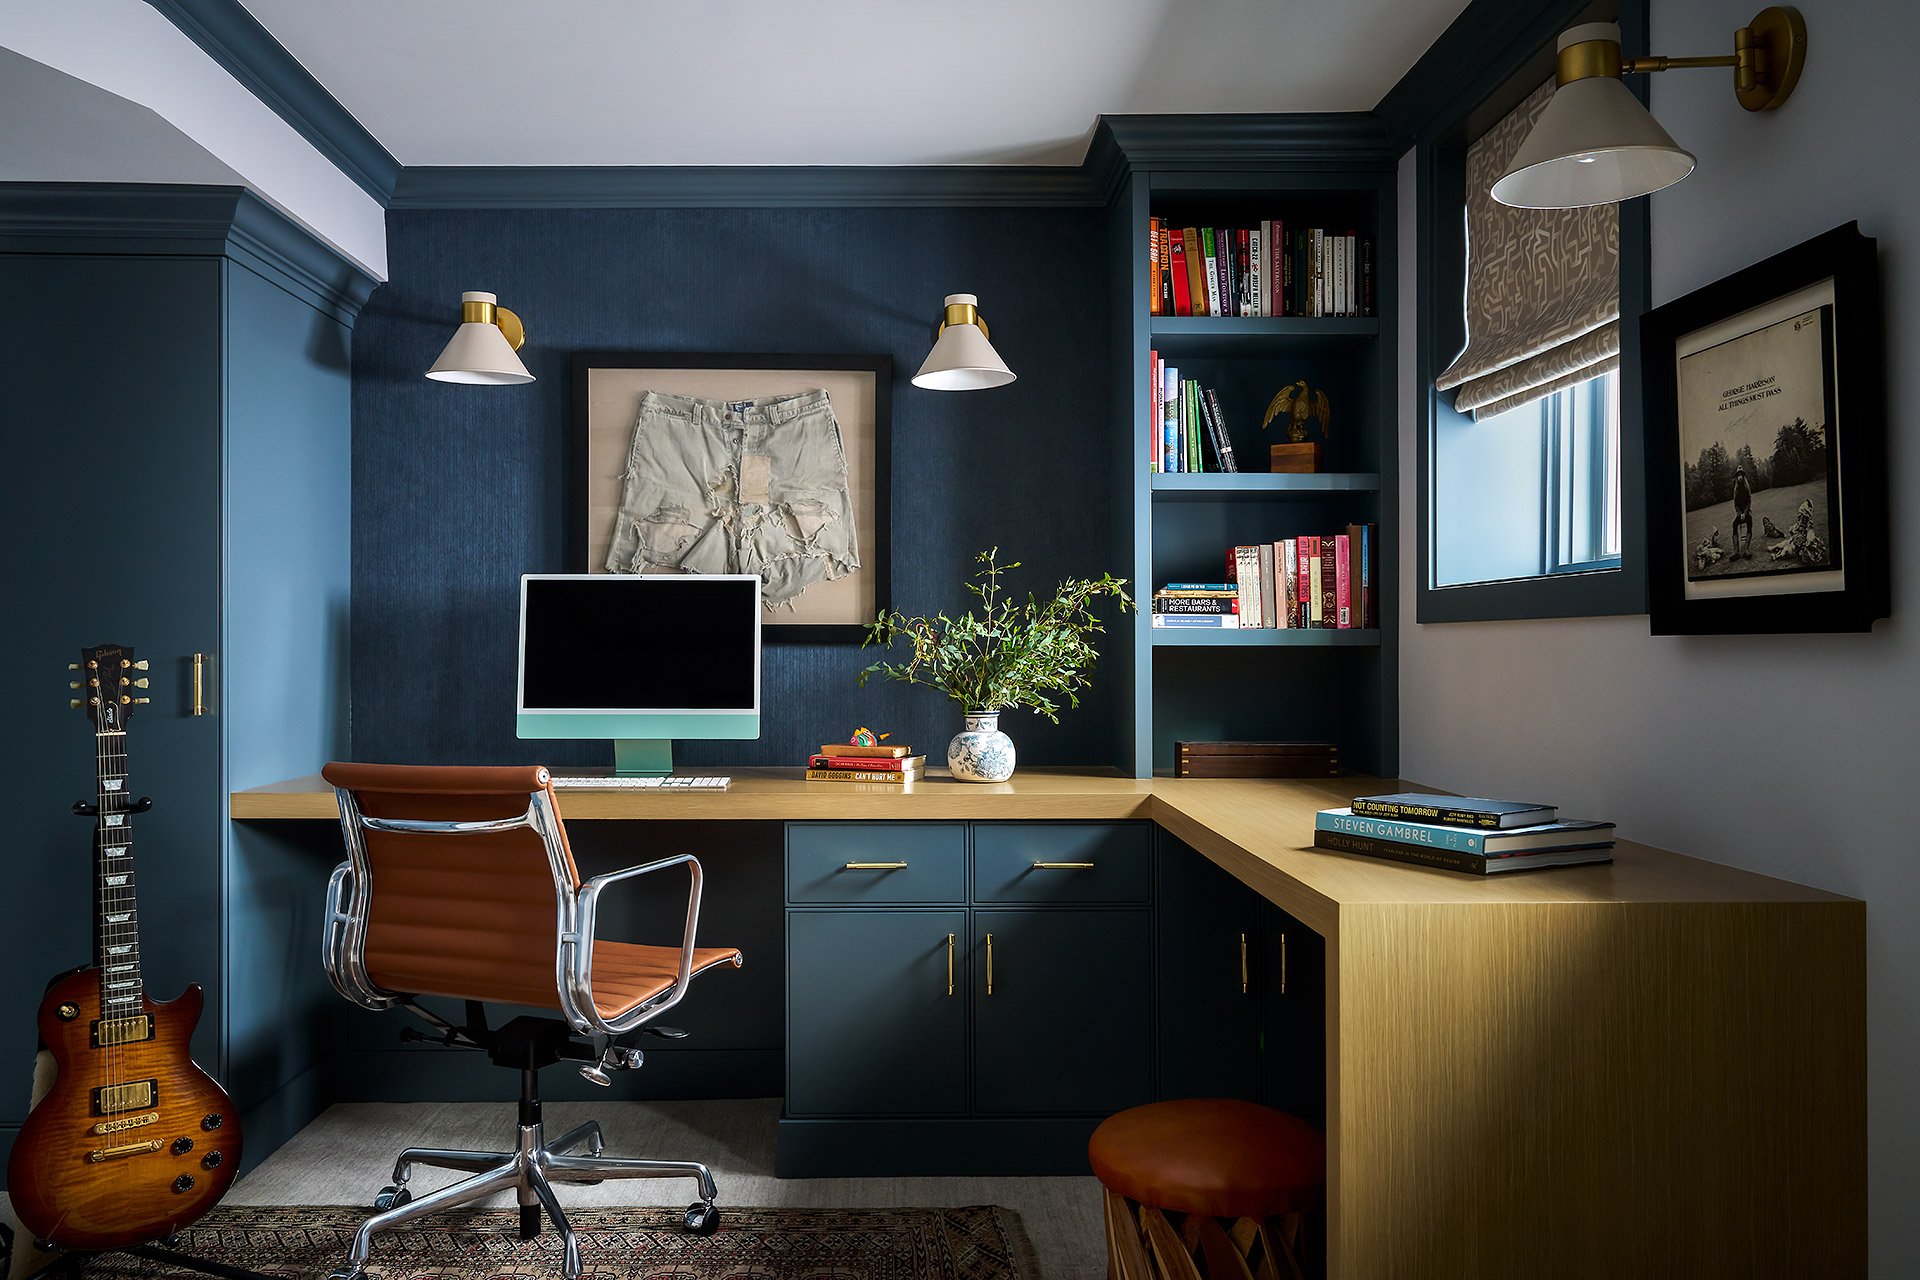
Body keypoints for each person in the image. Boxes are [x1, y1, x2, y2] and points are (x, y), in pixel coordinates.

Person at [1730, 466, 1753, 559]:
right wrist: (1739, 514)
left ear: (1743, 476)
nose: (1740, 477)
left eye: (1741, 475)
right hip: (1739, 513)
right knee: (1734, 524)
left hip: (1746, 512)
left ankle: (1746, 549)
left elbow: (1749, 501)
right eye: (1738, 475)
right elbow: (1735, 504)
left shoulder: (1746, 487)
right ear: (1737, 477)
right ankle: (1736, 551)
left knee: (1750, 521)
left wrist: (1745, 512)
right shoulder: (1736, 489)